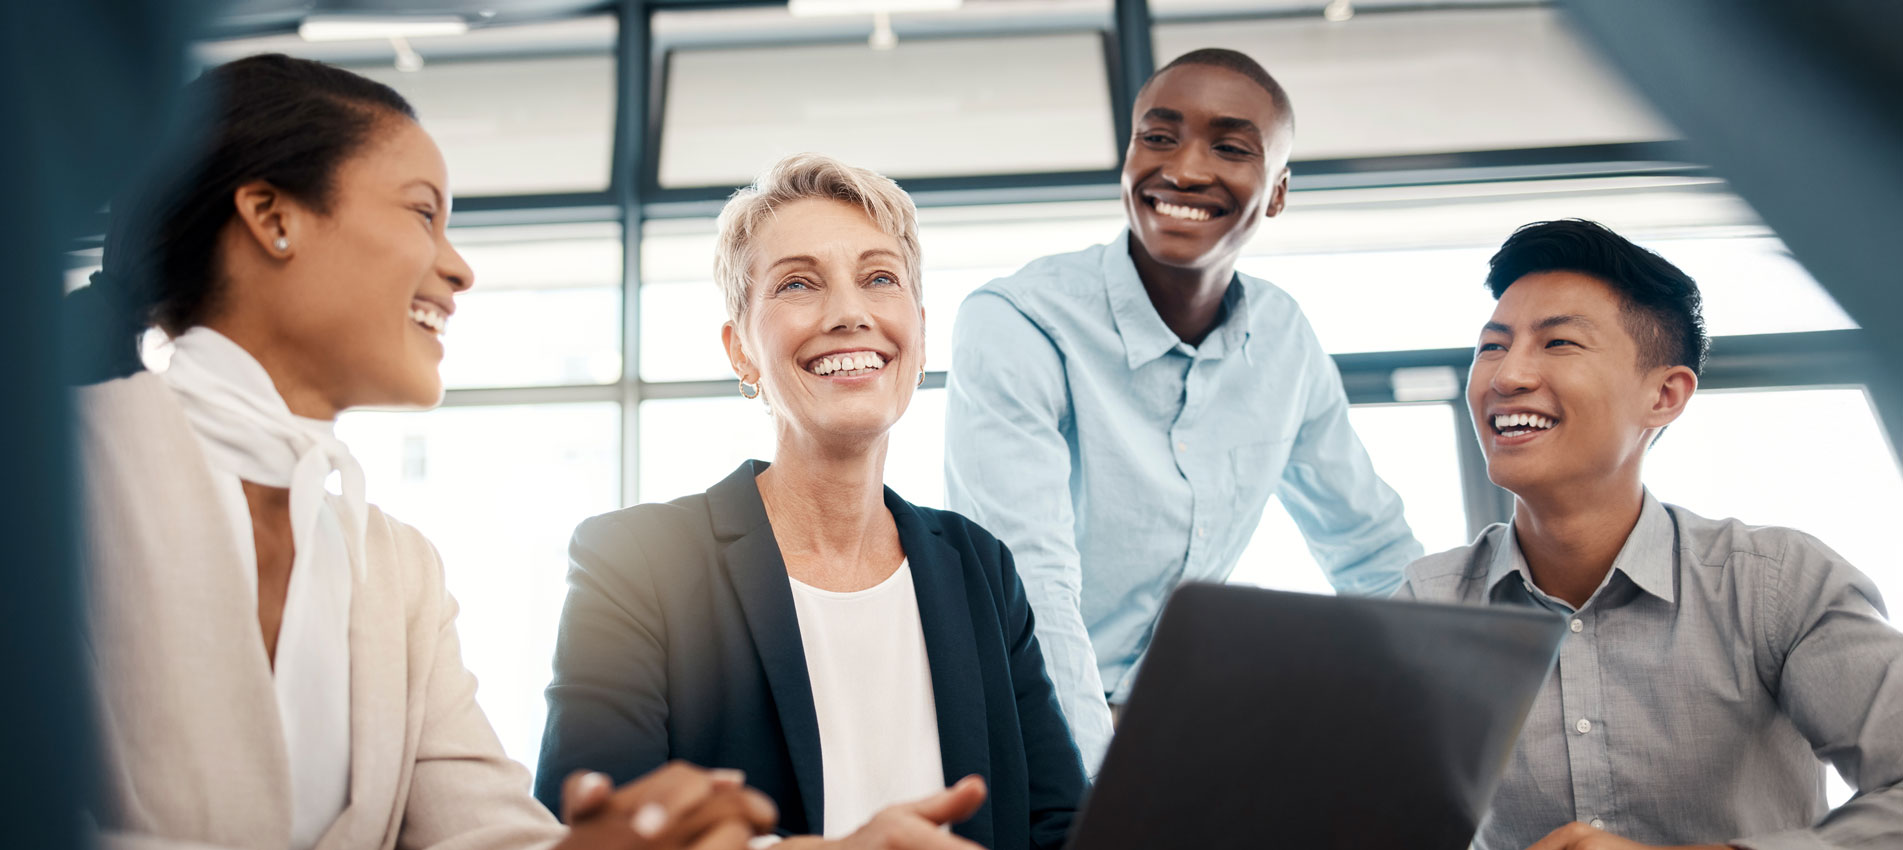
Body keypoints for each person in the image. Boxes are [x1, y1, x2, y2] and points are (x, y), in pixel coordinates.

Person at [70, 54, 776, 850]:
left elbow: (487, 834)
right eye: (422, 214)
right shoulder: (53, 474)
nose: (459, 267)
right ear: (273, 217)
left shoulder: (398, 570)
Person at [535, 153, 1087, 850]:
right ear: (741, 351)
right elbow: (593, 830)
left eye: (879, 278)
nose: (849, 313)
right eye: (798, 283)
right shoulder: (638, 560)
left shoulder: (980, 567)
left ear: (917, 333)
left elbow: (1060, 826)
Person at [943, 47, 1422, 769]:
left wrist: (1475, 710)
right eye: (1157, 137)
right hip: (1020, 726)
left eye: (1229, 148)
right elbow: (1032, 585)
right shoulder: (1019, 320)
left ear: (1278, 191)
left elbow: (1372, 553)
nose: (1185, 169)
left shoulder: (1283, 339)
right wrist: (1089, 787)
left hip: (1168, 729)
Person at [1397, 219, 1903, 850]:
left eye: (1558, 344)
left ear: (1665, 394)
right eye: (1492, 346)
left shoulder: (1777, 586)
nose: (1507, 376)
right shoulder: (1427, 606)